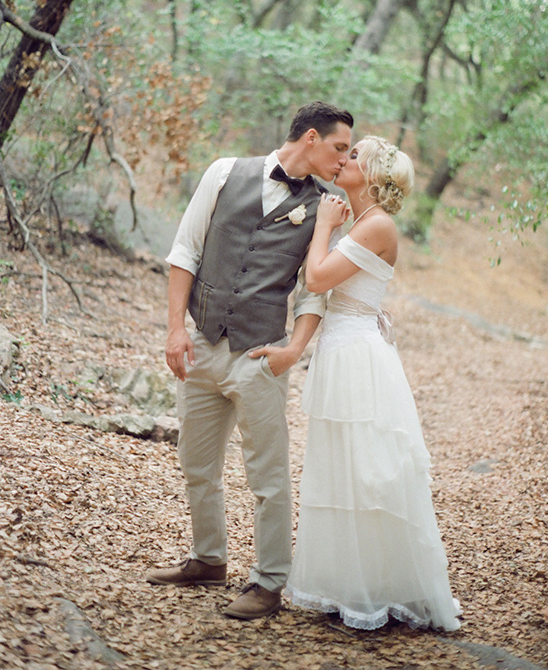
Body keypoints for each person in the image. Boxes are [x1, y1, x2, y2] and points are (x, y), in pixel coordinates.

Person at [146, 102, 354, 620]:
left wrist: (292, 351)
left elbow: (313, 293)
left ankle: (267, 582)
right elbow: (185, 251)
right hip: (203, 344)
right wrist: (175, 330)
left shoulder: (329, 209)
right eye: (339, 148)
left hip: (261, 355)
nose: (343, 160)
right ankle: (208, 559)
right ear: (310, 137)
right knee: (196, 463)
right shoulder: (224, 172)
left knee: (267, 476)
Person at [285, 135, 461, 632]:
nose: (345, 160)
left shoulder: (378, 225)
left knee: (368, 474)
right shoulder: (360, 222)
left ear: (376, 176)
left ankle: (379, 593)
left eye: (355, 156)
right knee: (342, 469)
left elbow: (318, 278)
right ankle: (351, 588)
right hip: (340, 351)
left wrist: (321, 224)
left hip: (359, 357)